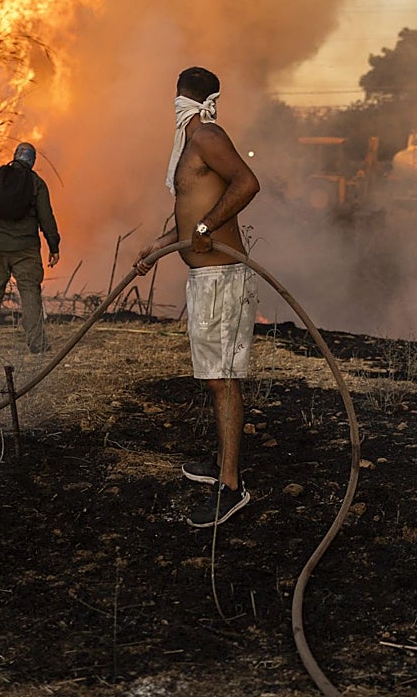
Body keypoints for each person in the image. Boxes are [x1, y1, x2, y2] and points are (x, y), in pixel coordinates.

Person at [135, 66, 261, 528]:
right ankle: (222, 465)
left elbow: (248, 182)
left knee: (223, 379)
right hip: (208, 280)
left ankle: (232, 488)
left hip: (223, 278)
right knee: (215, 377)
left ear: (179, 99)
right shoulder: (193, 141)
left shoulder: (206, 134)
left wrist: (206, 229)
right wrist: (161, 243)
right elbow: (194, 211)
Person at [0, 142, 60, 354]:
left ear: (15, 156)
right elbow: (46, 217)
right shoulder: (36, 183)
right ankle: (37, 345)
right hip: (25, 249)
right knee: (30, 292)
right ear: (32, 161)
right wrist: (53, 245)